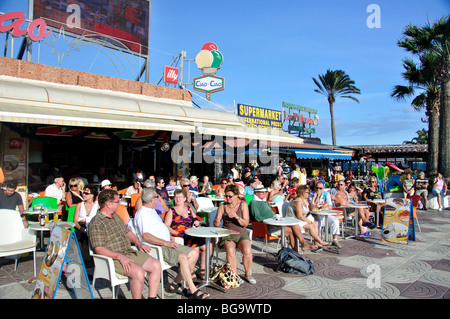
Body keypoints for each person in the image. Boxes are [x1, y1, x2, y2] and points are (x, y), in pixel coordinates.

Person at [134, 187, 210, 299]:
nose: (158, 198)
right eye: (157, 196)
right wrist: (166, 242)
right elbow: (145, 236)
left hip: (167, 242)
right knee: (183, 257)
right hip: (158, 247)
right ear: (151, 200)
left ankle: (175, 284)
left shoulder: (152, 211)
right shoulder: (142, 214)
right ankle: (193, 290)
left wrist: (168, 235)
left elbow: (160, 228)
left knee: (194, 254)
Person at [88, 189, 161, 299]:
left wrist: (139, 243)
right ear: (108, 204)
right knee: (139, 272)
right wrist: (120, 257)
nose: (120, 203)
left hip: (128, 252)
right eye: (117, 201)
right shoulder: (96, 222)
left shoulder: (115, 216)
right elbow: (99, 249)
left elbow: (127, 232)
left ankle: (152, 297)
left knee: (156, 265)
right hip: (113, 258)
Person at [249, 185, 315, 251]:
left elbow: (270, 212)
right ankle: (298, 250)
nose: (264, 193)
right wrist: (271, 220)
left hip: (275, 223)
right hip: (267, 227)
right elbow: (257, 218)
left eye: (264, 192)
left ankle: (302, 246)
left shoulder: (264, 201)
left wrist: (276, 217)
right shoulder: (254, 203)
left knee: (294, 225)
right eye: (261, 192)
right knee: (292, 231)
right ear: (255, 193)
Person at [214, 184, 255, 284]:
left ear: (237, 196)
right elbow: (216, 224)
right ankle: (234, 276)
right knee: (231, 250)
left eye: (230, 196)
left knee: (247, 250)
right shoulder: (222, 206)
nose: (227, 198)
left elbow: (245, 223)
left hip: (241, 233)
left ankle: (248, 274)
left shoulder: (243, 205)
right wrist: (217, 220)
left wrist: (237, 217)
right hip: (227, 234)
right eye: (226, 196)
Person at [164, 189, 209, 280]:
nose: (177, 199)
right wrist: (177, 233)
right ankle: (190, 270)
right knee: (195, 247)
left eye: (180, 197)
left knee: (207, 246)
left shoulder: (188, 208)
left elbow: (194, 218)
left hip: (191, 233)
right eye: (176, 197)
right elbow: (166, 226)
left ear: (185, 198)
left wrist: (196, 221)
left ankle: (202, 268)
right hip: (181, 235)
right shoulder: (171, 211)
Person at [309, 182, 342, 248]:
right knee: (317, 223)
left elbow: (330, 206)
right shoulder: (312, 194)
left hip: (324, 215)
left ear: (323, 188)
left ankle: (335, 240)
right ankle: (318, 241)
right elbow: (312, 208)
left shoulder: (326, 195)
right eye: (317, 188)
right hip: (315, 215)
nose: (318, 190)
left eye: (320, 188)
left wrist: (324, 207)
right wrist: (316, 198)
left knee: (335, 221)